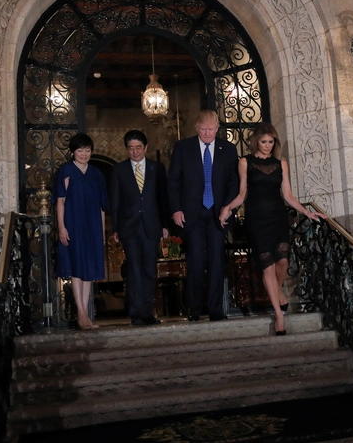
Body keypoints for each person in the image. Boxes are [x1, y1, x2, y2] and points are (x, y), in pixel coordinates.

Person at [219, 123, 325, 335]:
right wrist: (227, 208)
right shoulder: (245, 162)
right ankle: (279, 315)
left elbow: (287, 195)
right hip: (256, 219)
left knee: (283, 261)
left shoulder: (281, 163)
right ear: (256, 141)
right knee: (267, 266)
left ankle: (276, 290)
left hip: (277, 217)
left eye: (270, 142)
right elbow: (242, 194)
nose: (267, 146)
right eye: (263, 142)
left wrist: (307, 213)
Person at [167, 110, 240, 321]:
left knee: (217, 261)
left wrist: (228, 207)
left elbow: (233, 182)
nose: (208, 133)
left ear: (217, 128)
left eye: (212, 129)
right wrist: (176, 209)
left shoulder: (228, 149)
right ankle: (194, 308)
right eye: (204, 129)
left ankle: (216, 309)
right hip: (192, 214)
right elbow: (173, 181)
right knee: (195, 260)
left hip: (219, 214)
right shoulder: (183, 148)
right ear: (196, 128)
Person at [110, 130, 170, 326]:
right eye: (131, 148)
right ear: (126, 149)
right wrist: (116, 228)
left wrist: (165, 225)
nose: (135, 152)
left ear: (145, 148)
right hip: (129, 227)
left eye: (138, 147)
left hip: (151, 226)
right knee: (133, 269)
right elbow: (115, 201)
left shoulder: (157, 168)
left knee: (149, 270)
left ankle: (148, 312)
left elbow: (163, 199)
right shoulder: (119, 170)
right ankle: (136, 313)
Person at [54, 133, 109, 331]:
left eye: (87, 150)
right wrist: (61, 227)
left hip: (93, 225)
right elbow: (60, 202)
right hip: (73, 224)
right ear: (73, 152)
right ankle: (81, 314)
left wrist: (102, 232)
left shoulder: (97, 174)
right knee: (77, 268)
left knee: (89, 271)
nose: (84, 153)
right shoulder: (66, 171)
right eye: (80, 150)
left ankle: (85, 314)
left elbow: (103, 206)